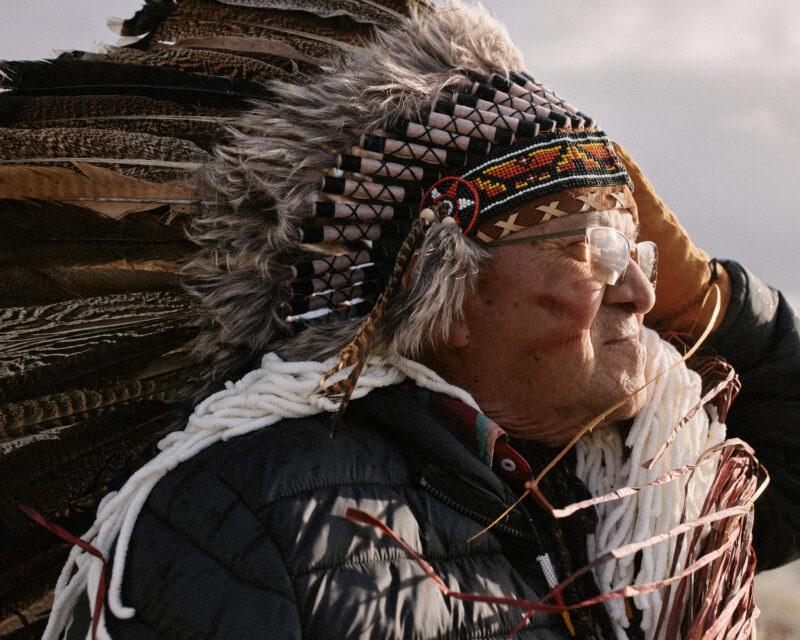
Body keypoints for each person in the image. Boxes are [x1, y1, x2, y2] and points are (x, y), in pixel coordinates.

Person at [42, 3, 799, 639]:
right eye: (593, 249)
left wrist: (712, 300)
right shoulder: (238, 510)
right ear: (446, 293)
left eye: (639, 251)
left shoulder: (616, 492)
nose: (640, 288)